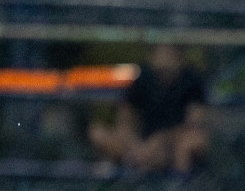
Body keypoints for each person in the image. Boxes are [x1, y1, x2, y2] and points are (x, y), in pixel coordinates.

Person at [88, 44, 208, 173]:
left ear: (179, 55)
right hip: (141, 142)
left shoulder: (192, 81)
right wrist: (136, 145)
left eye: (169, 52)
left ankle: (179, 186)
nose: (164, 58)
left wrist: (161, 139)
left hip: (171, 142)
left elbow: (194, 124)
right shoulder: (143, 78)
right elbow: (125, 120)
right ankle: (123, 176)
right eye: (159, 52)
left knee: (190, 141)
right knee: (97, 132)